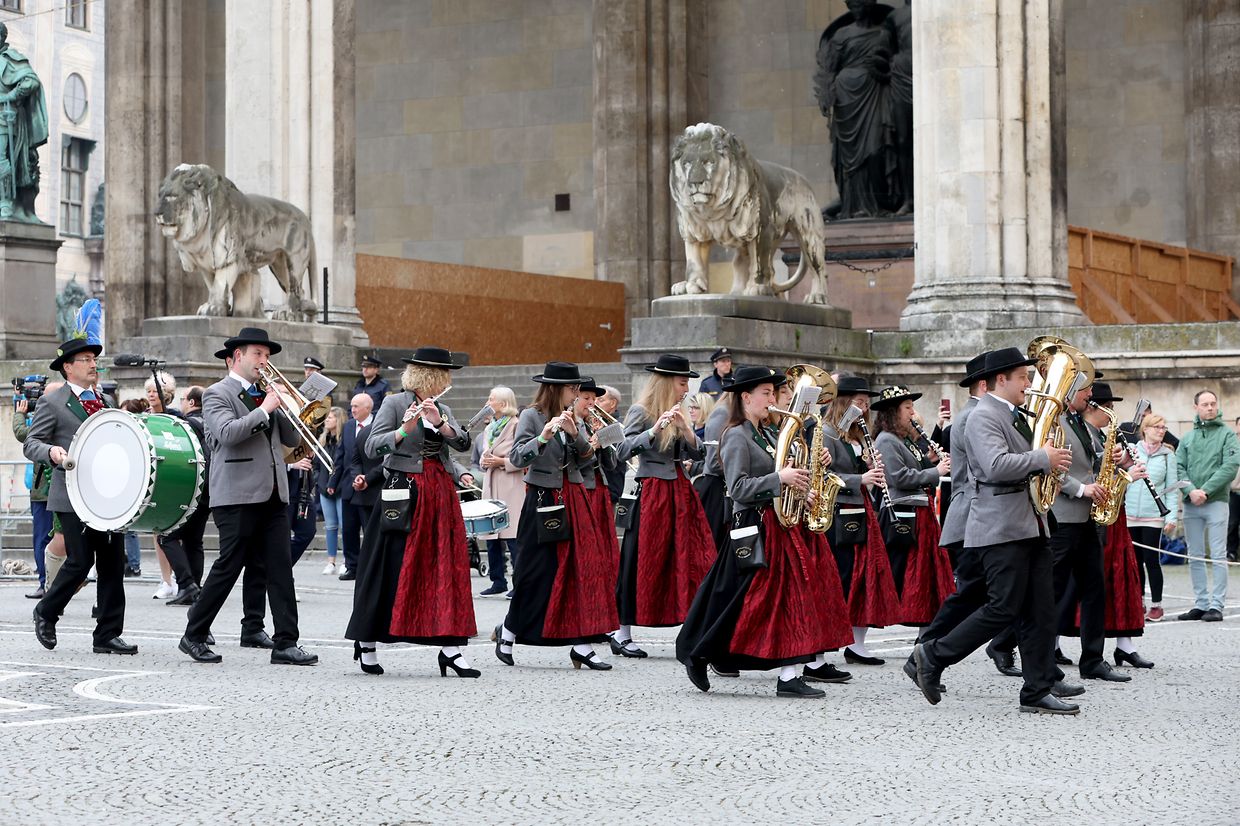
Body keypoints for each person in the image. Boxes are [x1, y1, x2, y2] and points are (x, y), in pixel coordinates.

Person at [912, 347, 1081, 715]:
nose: (1029, 383)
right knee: (1002, 607)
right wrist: (1043, 459)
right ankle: (933, 654)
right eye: (1023, 377)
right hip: (998, 525)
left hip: (1028, 522)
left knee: (1040, 609)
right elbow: (993, 466)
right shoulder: (981, 416)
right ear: (1000, 380)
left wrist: (1048, 462)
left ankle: (1036, 691)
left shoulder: (1015, 414)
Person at [677, 366, 854, 698]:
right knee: (728, 601)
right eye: (767, 394)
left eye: (774, 393)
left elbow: (785, 477)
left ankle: (789, 676)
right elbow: (738, 486)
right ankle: (697, 652)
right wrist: (780, 480)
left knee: (787, 599)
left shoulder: (770, 433)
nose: (773, 399)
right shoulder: (736, 435)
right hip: (752, 527)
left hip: (779, 526)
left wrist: (806, 488)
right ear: (746, 397)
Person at [179, 327, 317, 666]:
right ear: (236, 357)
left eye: (267, 356)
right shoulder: (216, 393)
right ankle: (193, 634)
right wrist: (266, 407)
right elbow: (226, 435)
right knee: (229, 566)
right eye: (258, 354)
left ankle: (286, 642)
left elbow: (289, 438)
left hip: (272, 491)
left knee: (280, 568)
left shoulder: (264, 393)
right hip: (236, 493)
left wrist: (289, 408)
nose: (264, 361)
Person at [345, 347, 478, 677]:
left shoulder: (442, 407)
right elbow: (372, 446)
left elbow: (462, 444)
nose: (446, 380)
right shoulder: (393, 403)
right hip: (403, 494)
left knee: (444, 567)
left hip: (439, 494)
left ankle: (451, 649)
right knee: (388, 566)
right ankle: (368, 642)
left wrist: (440, 424)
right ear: (429, 376)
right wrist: (404, 429)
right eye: (442, 375)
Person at [494, 361, 617, 671]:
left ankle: (581, 644)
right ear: (556, 389)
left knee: (579, 570)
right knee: (535, 571)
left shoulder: (577, 417)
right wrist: (545, 437)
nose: (576, 395)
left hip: (574, 497)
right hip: (542, 499)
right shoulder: (531, 416)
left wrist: (576, 435)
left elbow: (587, 459)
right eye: (573, 390)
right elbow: (517, 456)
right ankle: (509, 631)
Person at [29, 334, 135, 655]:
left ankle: (107, 634)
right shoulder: (52, 402)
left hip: (108, 496)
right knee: (79, 561)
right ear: (68, 367)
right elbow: (32, 442)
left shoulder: (105, 402)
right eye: (86, 360)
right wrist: (54, 452)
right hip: (71, 495)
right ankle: (46, 612)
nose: (94, 365)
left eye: (94, 360)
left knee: (113, 564)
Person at [612, 354, 715, 658]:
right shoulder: (640, 411)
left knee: (693, 556)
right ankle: (622, 632)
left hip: (680, 492)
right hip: (653, 492)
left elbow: (698, 457)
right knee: (640, 557)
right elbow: (622, 450)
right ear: (668, 382)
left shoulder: (681, 412)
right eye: (682, 382)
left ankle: (694, 624)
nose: (686, 389)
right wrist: (654, 430)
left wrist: (686, 430)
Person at [821, 375, 899, 664]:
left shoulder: (856, 435)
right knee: (842, 574)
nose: (864, 409)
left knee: (865, 575)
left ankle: (858, 642)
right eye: (859, 402)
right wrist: (861, 478)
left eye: (866, 404)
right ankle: (828, 642)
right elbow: (825, 475)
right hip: (838, 510)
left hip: (861, 508)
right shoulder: (828, 432)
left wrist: (869, 464)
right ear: (843, 402)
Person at [871, 385, 954, 625]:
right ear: (893, 412)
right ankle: (912, 619)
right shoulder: (886, 440)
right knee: (911, 575)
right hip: (904, 513)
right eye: (907, 407)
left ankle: (924, 628)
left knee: (926, 575)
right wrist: (936, 471)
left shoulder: (904, 440)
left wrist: (932, 463)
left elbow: (916, 470)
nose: (912, 412)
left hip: (918, 512)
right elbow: (899, 478)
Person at [1176, 389, 1240, 623]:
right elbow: (1179, 467)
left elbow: (1230, 466)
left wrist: (1206, 490)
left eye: (1213, 403)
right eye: (1205, 404)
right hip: (1191, 502)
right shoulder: (1187, 438)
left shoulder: (1227, 435)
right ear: (1196, 408)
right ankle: (1201, 603)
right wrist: (1190, 490)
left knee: (1218, 554)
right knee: (1195, 555)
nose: (1211, 407)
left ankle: (1216, 605)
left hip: (1216, 502)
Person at [1124, 413, 1178, 624]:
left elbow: (1172, 490)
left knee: (1151, 561)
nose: (1161, 430)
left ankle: (1156, 605)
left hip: (1153, 516)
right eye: (1157, 427)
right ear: (1145, 429)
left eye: (1163, 427)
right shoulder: (1132, 451)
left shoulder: (1168, 456)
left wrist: (1172, 517)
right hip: (1129, 514)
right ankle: (1139, 602)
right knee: (1134, 562)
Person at [162, 385, 214, 606]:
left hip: (192, 489)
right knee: (194, 541)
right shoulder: (211, 422)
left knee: (166, 536)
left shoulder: (187, 426)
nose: (181, 403)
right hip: (211, 490)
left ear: (192, 403)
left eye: (183, 399)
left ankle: (186, 583)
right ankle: (195, 588)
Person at [12, 384, 59, 598]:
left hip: (45, 491)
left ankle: (46, 583)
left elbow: (24, 434)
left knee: (43, 538)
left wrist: (19, 414)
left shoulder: (50, 419)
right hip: (55, 489)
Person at [477, 386, 523, 596]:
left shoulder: (516, 425)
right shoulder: (489, 427)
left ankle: (519, 583)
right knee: (491, 534)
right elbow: (483, 452)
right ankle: (498, 580)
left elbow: (523, 456)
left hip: (510, 482)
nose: (487, 401)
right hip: (491, 481)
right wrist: (485, 461)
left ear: (503, 403)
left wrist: (502, 461)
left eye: (491, 398)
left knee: (512, 535)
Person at [329, 393, 380, 580]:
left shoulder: (378, 426)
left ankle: (370, 568)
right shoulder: (349, 426)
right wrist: (332, 482)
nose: (353, 410)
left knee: (369, 530)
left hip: (371, 486)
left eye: (357, 406)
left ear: (368, 408)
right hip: (349, 486)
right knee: (349, 529)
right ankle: (352, 566)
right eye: (351, 406)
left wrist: (366, 478)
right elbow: (341, 456)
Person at [144, 371, 181, 599]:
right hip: (154, 479)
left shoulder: (176, 417)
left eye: (154, 391)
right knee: (157, 531)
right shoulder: (144, 417)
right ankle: (166, 580)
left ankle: (178, 577)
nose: (150, 395)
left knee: (175, 532)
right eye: (148, 391)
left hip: (174, 478)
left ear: (166, 394)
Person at [692, 384, 733, 547]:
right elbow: (714, 461)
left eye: (696, 407)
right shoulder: (723, 412)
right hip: (717, 489)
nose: (691, 411)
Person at [317, 406, 345, 575]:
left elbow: (343, 466)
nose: (327, 420)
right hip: (323, 488)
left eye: (331, 417)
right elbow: (316, 466)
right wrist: (318, 482)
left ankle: (346, 560)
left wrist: (336, 485)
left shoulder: (343, 440)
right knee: (330, 526)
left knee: (344, 525)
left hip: (340, 488)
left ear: (339, 420)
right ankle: (331, 561)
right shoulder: (323, 441)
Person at [597, 385, 627, 503]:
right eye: (593, 399)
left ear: (613, 403)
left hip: (611, 488)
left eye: (600, 399)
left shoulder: (616, 427)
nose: (595, 403)